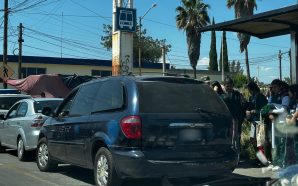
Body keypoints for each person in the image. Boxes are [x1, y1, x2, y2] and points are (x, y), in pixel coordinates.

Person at [267, 79, 290, 171]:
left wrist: (272, 111)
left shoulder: (285, 96)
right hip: (274, 123)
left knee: (281, 143)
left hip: (282, 123)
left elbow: (283, 110)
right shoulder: (272, 96)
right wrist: (270, 114)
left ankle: (281, 164)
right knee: (274, 144)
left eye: (275, 87)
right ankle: (275, 162)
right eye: (272, 87)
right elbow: (268, 106)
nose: (273, 89)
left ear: (280, 87)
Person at [245, 81, 268, 158]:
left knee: (260, 141)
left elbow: (264, 109)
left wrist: (254, 111)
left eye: (249, 89)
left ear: (252, 89)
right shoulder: (251, 97)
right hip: (253, 121)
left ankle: (262, 160)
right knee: (252, 139)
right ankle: (259, 158)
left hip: (259, 121)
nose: (249, 91)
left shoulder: (261, 97)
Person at [222, 77, 247, 143]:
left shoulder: (237, 94)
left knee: (237, 137)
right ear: (224, 85)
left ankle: (237, 151)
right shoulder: (221, 95)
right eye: (227, 86)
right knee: (226, 137)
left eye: (231, 86)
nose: (229, 88)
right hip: (225, 120)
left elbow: (243, 103)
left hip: (236, 119)